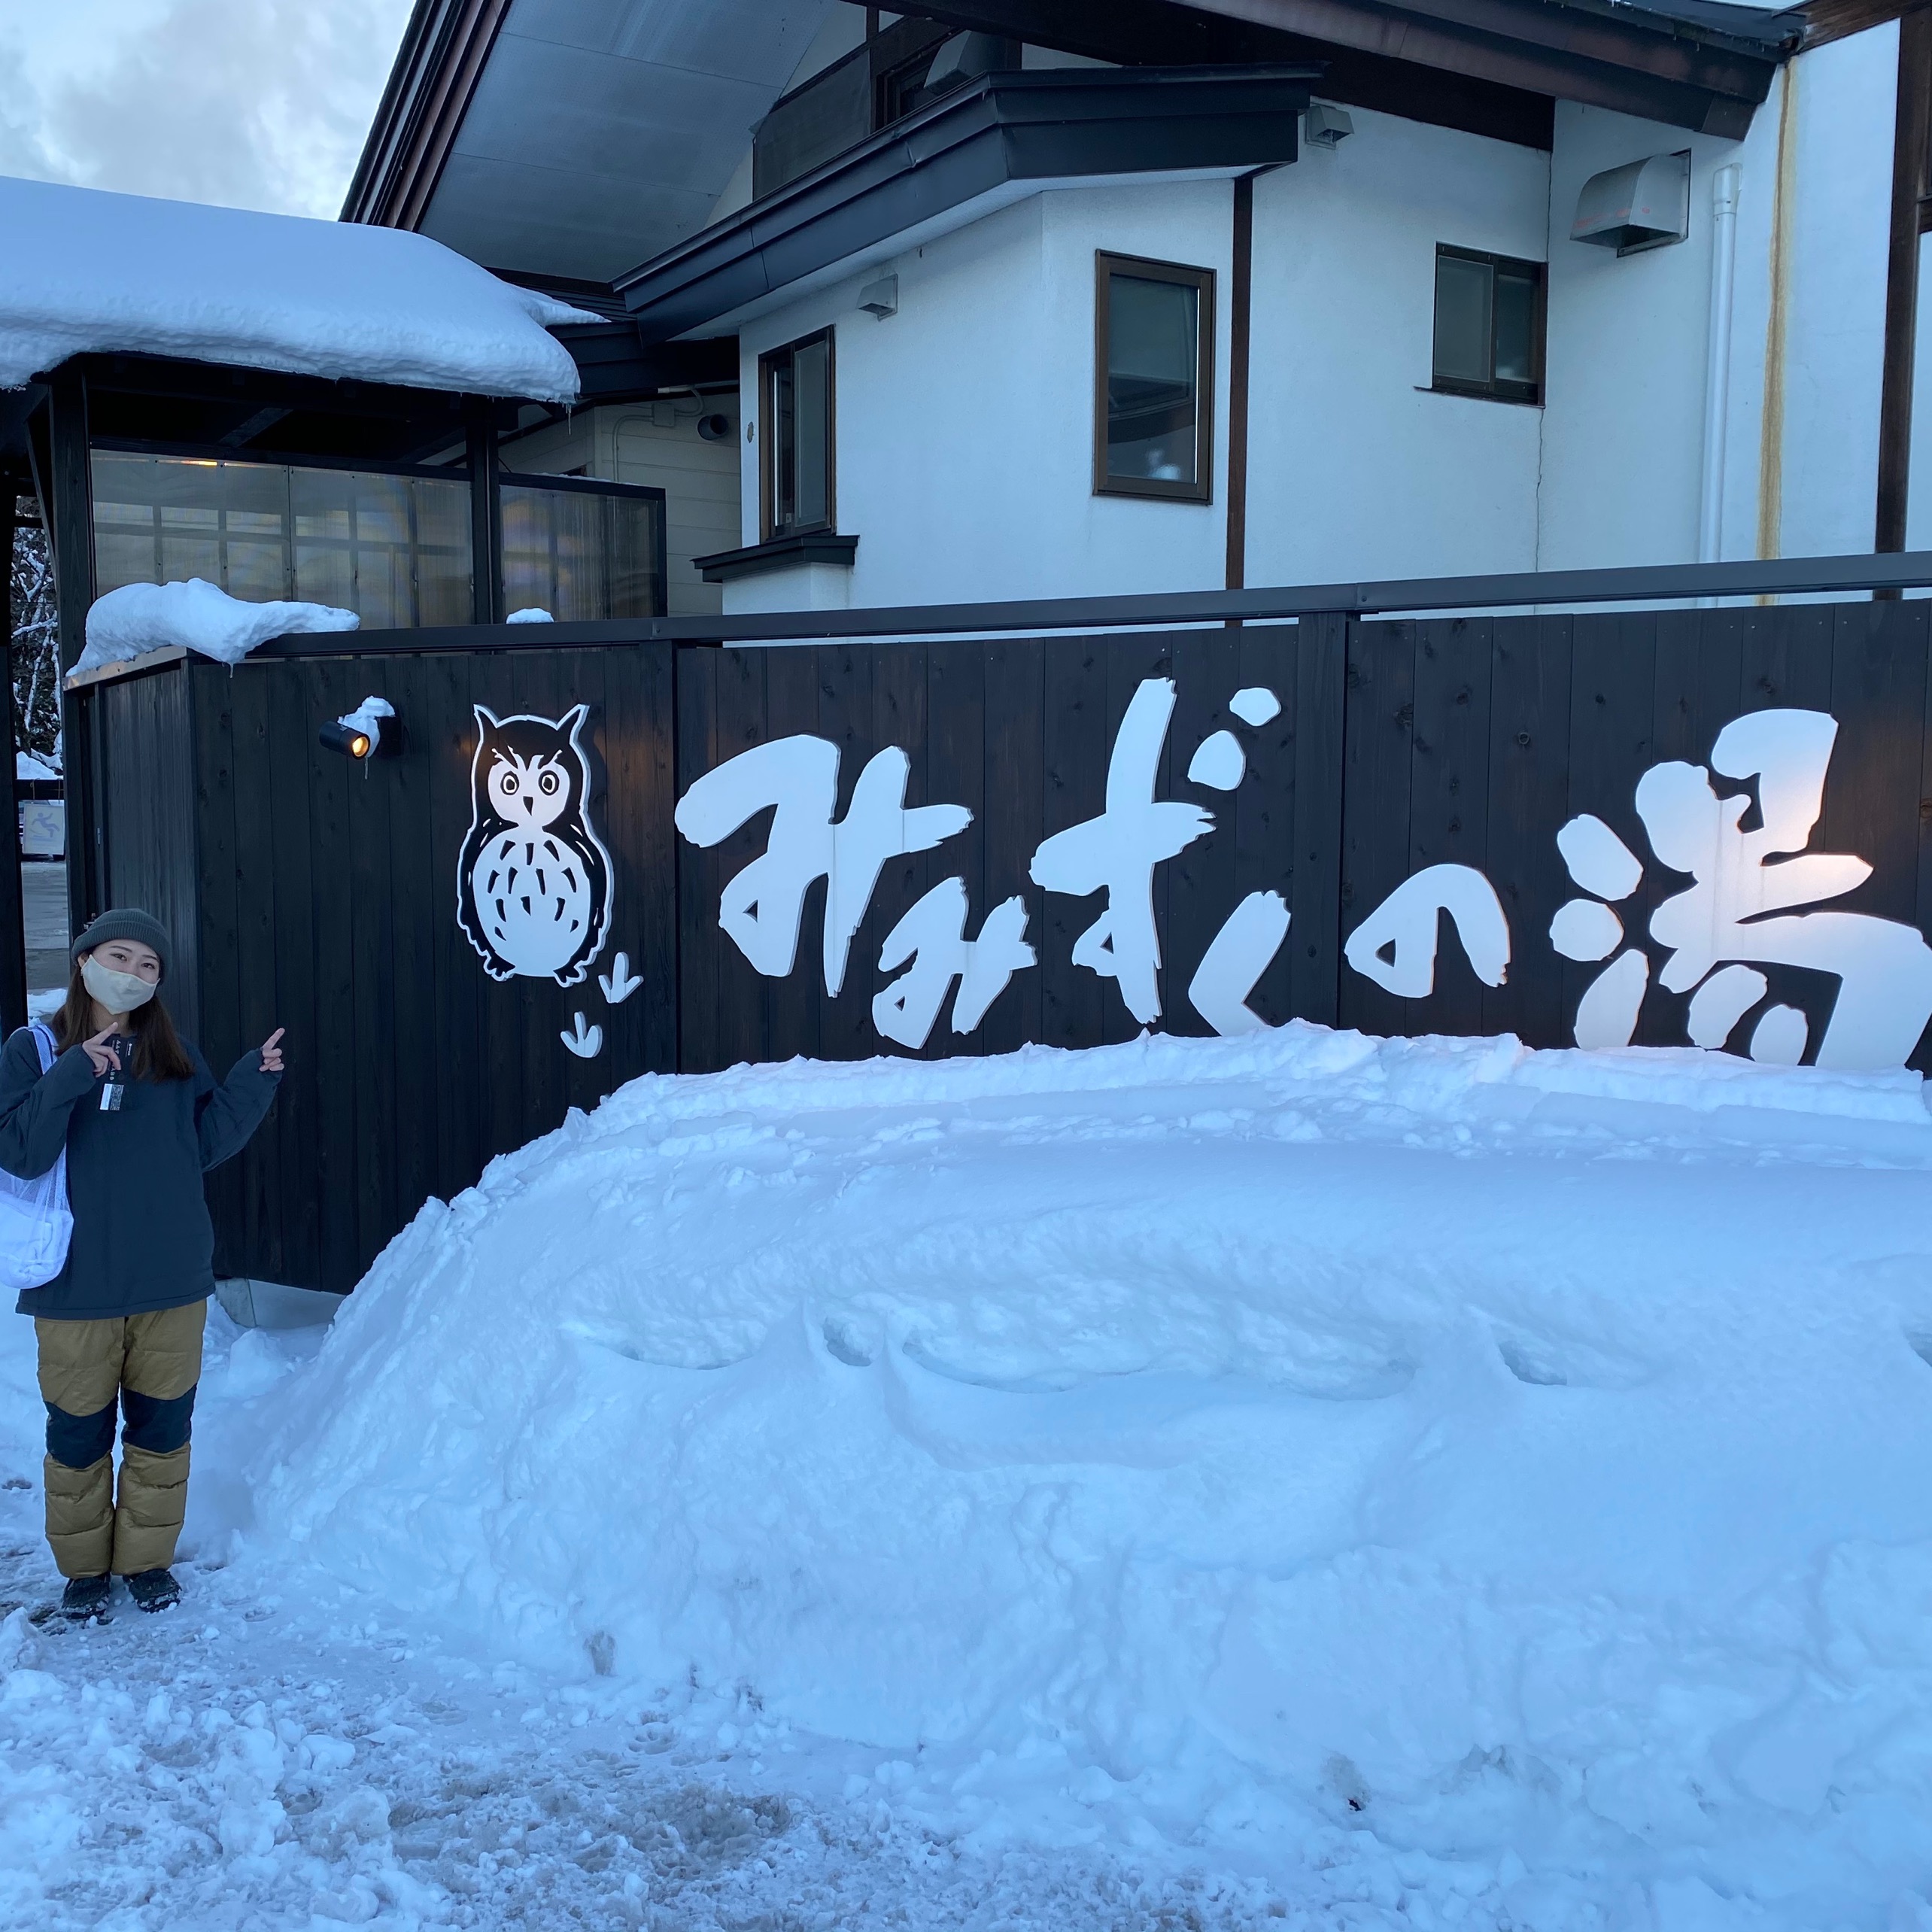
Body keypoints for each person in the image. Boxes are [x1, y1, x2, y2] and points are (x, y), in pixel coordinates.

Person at [0, 909, 283, 1619]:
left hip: (172, 1280)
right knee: (78, 1435)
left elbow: (205, 1145)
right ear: (85, 961)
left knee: (161, 1432)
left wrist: (254, 1080)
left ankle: (147, 1563)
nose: (132, 974)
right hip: (74, 1284)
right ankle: (84, 1572)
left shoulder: (174, 1056)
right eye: (119, 957)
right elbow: (21, 1153)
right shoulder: (33, 1050)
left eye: (148, 966)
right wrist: (72, 1073)